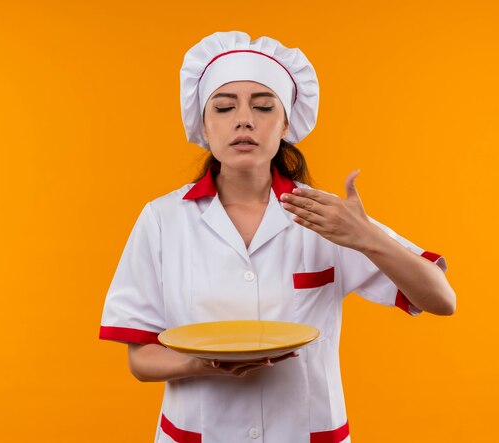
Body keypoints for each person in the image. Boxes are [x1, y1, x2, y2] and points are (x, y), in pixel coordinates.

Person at [99, 31, 456, 443]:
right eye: (224, 107)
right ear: (204, 124)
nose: (244, 119)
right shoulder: (163, 219)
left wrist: (365, 237)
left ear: (285, 123)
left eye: (264, 106)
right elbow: (141, 359)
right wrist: (207, 365)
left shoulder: (326, 217)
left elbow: (441, 300)